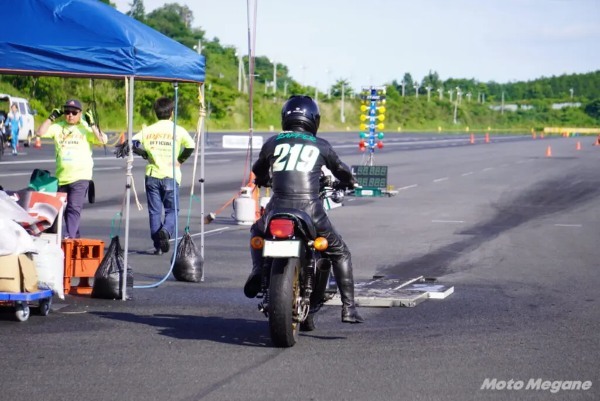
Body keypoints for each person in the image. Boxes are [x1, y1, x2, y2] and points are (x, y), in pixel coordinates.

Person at [244, 95, 364, 323]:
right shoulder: (320, 145)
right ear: (313, 119)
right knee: (340, 252)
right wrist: (348, 182)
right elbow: (341, 170)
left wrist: (263, 179)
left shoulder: (273, 142)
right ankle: (349, 309)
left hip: (276, 208)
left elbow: (258, 169)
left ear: (285, 118)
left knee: (257, 232)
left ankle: (258, 270)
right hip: (311, 210)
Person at [131, 97, 195, 255]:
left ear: (156, 113)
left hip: (152, 174)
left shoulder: (148, 130)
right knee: (172, 210)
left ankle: (158, 245)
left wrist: (144, 153)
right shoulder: (178, 130)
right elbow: (190, 146)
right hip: (171, 175)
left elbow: (133, 143)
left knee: (154, 211)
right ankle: (166, 231)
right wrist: (180, 160)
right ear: (171, 113)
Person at [36, 98, 108, 238]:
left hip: (80, 176)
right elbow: (39, 132)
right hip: (62, 177)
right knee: (61, 210)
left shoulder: (85, 128)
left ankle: (70, 236)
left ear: (80, 114)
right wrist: (51, 117)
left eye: (74, 112)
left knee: (74, 207)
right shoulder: (58, 127)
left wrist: (92, 123)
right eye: (67, 112)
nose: (70, 115)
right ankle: (75, 237)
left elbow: (102, 140)